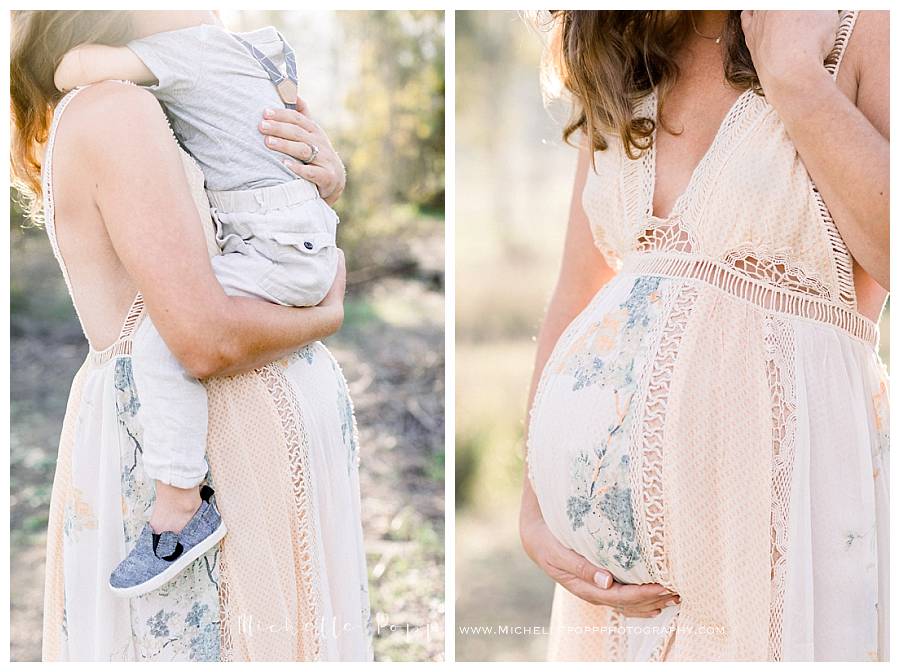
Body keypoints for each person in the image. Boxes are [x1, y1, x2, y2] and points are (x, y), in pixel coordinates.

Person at [521, 10, 888, 661]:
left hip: (784, 522)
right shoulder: (618, 51)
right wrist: (535, 502)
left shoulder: (862, 27)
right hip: (615, 597)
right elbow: (576, 296)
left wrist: (796, 79)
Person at [11, 9, 371, 660]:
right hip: (202, 446)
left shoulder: (178, 89)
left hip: (241, 431)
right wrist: (327, 315)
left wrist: (322, 177)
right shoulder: (118, 110)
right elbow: (201, 338)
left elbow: (260, 233)